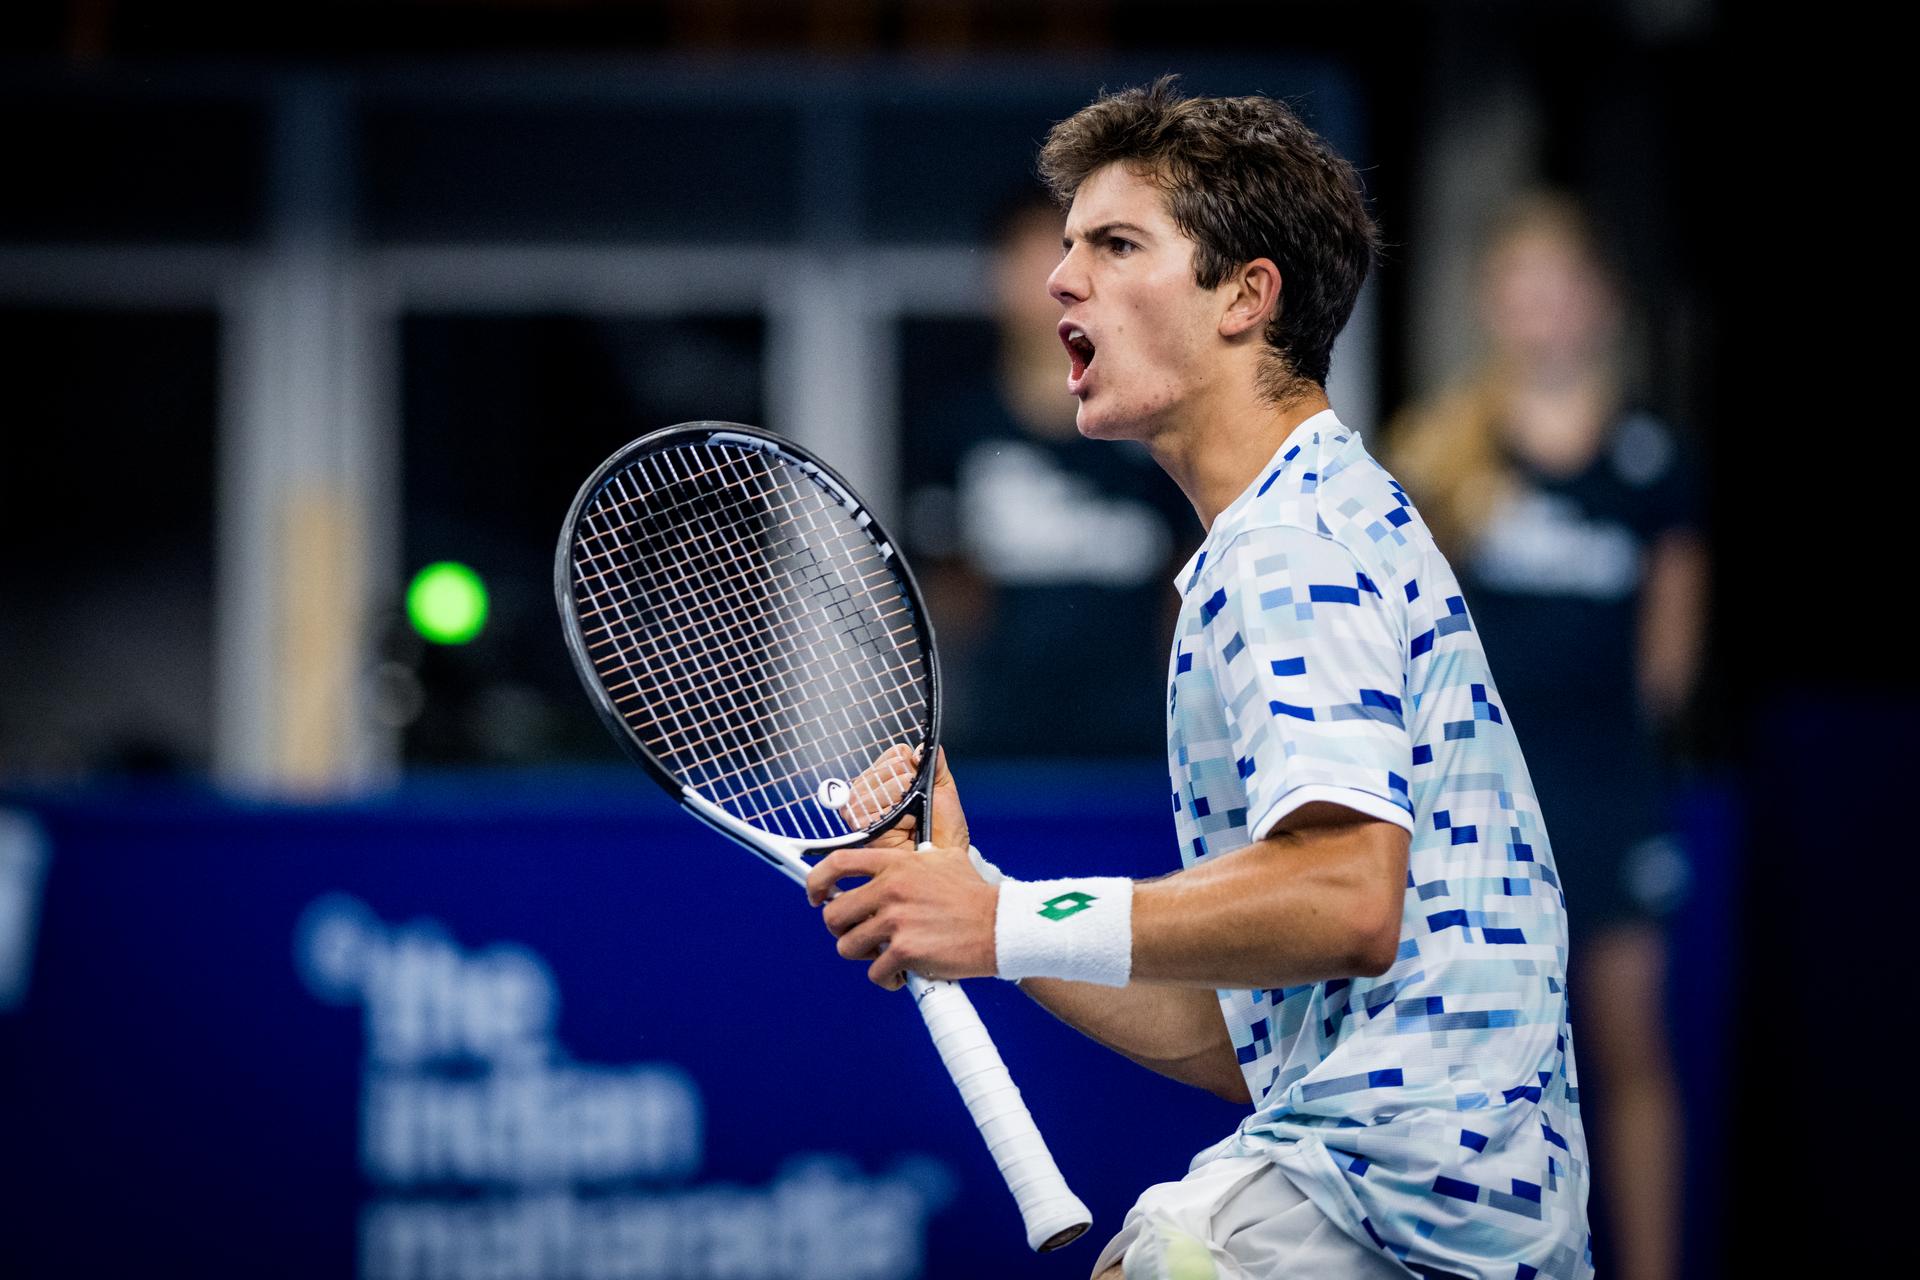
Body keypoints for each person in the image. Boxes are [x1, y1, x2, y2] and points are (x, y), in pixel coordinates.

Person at [806, 78, 1592, 1279]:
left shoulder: (1288, 544)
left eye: (1117, 245)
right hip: (1462, 1208)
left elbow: (1346, 897)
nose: (1062, 279)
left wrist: (1001, 919)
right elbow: (1249, 1037)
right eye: (1067, 246)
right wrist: (986, 905)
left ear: (1245, 296)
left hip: (1389, 1191)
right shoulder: (1314, 514)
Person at [1386, 195, 1706, 1280]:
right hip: (1474, 799)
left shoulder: (1651, 462)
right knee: (1468, 1056)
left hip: (1605, 788)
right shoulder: (1445, 448)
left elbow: (1669, 658)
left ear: (1602, 304)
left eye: (1563, 287)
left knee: (1627, 1045)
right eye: (1522, 289)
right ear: (1492, 304)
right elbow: (1404, 627)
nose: (1544, 311)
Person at [901, 197, 1196, 758]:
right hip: (1000, 740)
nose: (1049, 287)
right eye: (1028, 261)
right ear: (996, 280)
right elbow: (942, 589)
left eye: (1063, 260)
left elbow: (1185, 579)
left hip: (1140, 741)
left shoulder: (1153, 426)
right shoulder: (957, 429)